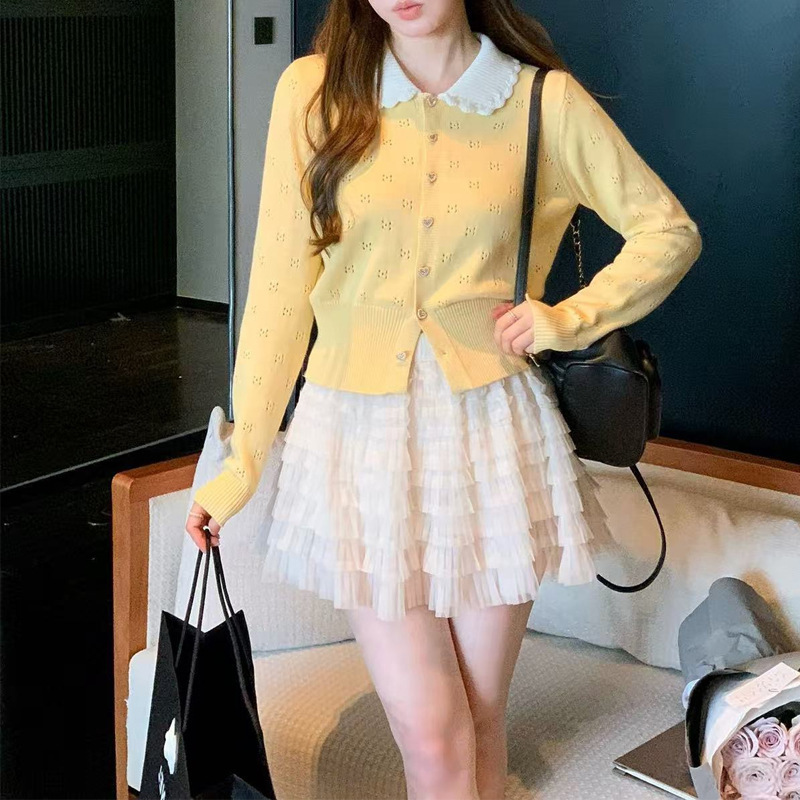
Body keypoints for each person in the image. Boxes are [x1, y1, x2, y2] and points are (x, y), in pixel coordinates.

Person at [186, 0, 702, 797]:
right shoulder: (314, 93)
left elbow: (668, 232)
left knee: (480, 723)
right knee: (434, 735)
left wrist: (565, 319)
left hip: (493, 436)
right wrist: (241, 463)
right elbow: (281, 291)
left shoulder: (541, 102)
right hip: (355, 438)